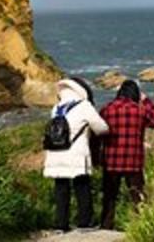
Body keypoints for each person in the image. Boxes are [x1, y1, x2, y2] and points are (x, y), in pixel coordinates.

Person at [43, 77, 109, 232]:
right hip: (76, 153)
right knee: (82, 186)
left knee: (61, 188)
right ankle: (85, 222)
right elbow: (101, 128)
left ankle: (61, 224)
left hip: (55, 153)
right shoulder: (84, 106)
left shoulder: (56, 108)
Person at [99, 80, 154, 230]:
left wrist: (98, 157)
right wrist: (146, 100)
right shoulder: (140, 110)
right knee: (137, 196)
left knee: (109, 197)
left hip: (111, 160)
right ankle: (141, 226)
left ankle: (106, 227)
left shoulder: (107, 109)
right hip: (133, 160)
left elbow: (97, 132)